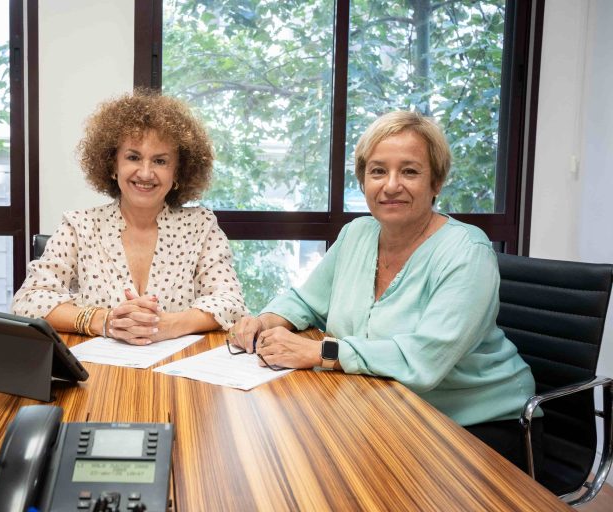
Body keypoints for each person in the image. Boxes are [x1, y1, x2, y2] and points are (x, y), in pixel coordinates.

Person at [228, 111, 540, 473]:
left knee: (333, 471)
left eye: (409, 171)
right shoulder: (357, 234)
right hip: (384, 405)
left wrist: (320, 351)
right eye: (378, 171)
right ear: (363, 181)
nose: (391, 185)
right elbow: (305, 301)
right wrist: (265, 321)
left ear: (436, 182)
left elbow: (423, 361)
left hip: (476, 423)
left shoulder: (467, 252)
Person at [12, 90, 247, 344]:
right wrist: (104, 321)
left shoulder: (201, 227)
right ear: (113, 164)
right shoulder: (79, 226)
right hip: (96, 368)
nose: (145, 173)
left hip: (179, 368)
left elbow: (231, 302)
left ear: (177, 172)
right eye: (133, 157)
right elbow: (27, 301)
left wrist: (169, 325)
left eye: (160, 161)